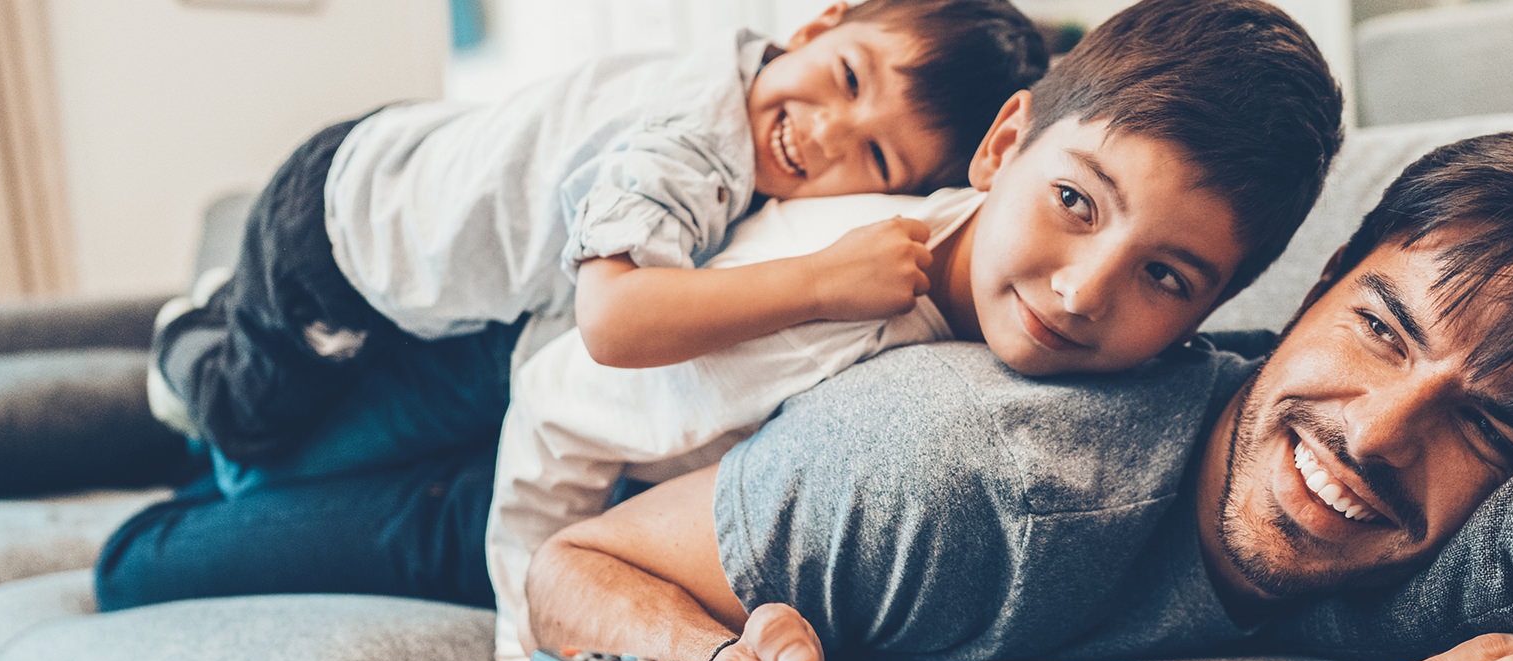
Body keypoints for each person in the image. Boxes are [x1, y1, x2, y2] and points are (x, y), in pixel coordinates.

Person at [521, 130, 1513, 661]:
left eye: (1489, 423)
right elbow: (578, 554)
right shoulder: (952, 472)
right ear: (1323, 279)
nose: (1379, 432)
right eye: (1382, 329)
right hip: (565, 402)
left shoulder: (1477, 563)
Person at [487, 0, 1347, 661]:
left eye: (1166, 277)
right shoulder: (830, 260)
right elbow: (578, 392)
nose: (1083, 292)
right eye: (1075, 202)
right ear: (1003, 146)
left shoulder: (1135, 392)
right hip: (537, 419)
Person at [148, 0, 1049, 498]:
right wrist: (819, 280)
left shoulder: (729, 77)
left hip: (390, 159)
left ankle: (232, 307)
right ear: (821, 23)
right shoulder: (690, 145)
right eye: (849, 79)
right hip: (341, 244)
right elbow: (615, 323)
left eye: (876, 157)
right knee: (249, 415)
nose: (824, 134)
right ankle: (184, 335)